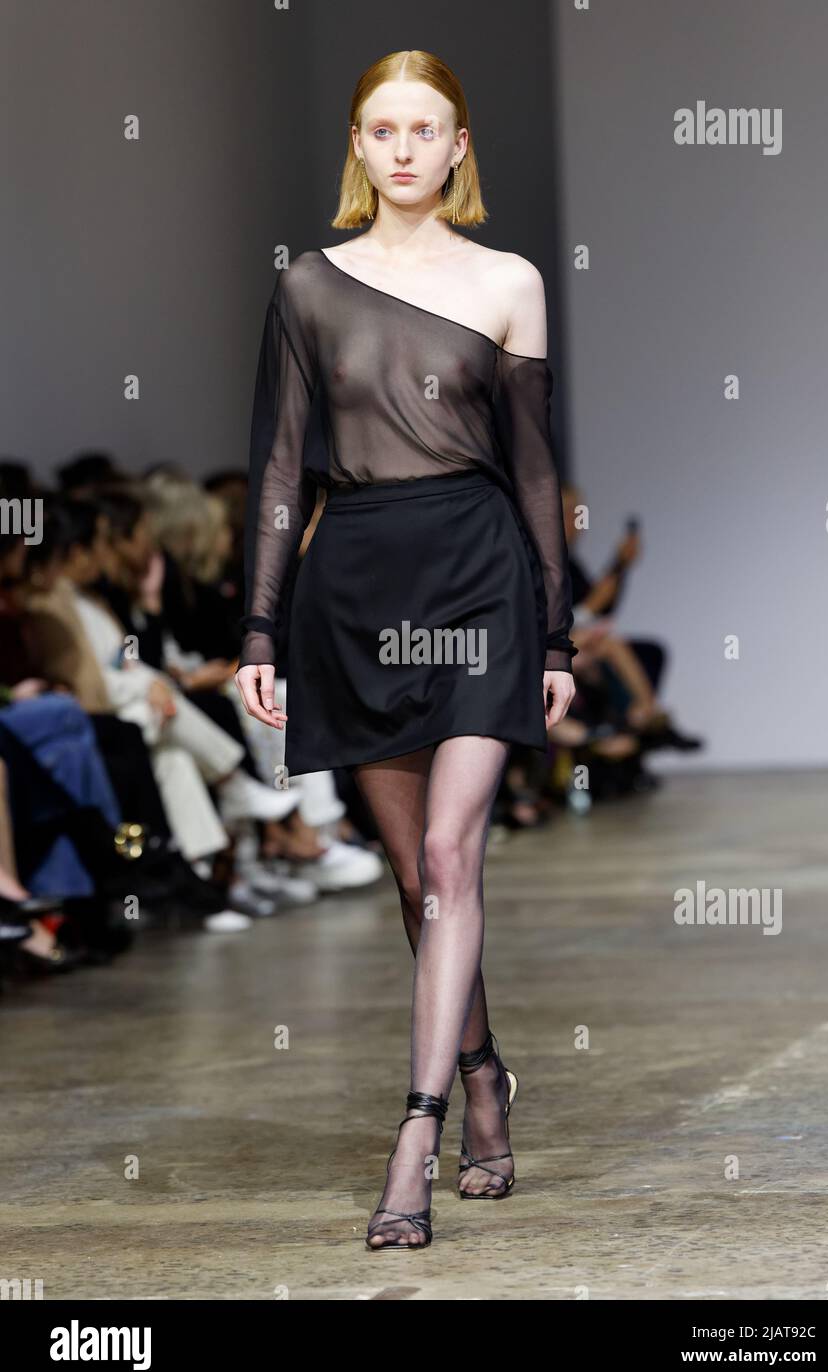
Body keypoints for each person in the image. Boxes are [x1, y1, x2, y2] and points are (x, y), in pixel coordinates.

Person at [235, 49, 577, 1250]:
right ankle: (484, 1075)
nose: (400, 148)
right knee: (418, 883)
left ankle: (417, 1129)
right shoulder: (307, 285)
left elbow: (534, 465)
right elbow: (282, 464)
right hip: (354, 578)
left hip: (478, 568)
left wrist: (555, 626)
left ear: (458, 146)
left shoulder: (509, 283)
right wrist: (260, 622)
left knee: (449, 849)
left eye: (423, 128)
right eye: (379, 129)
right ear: (358, 146)